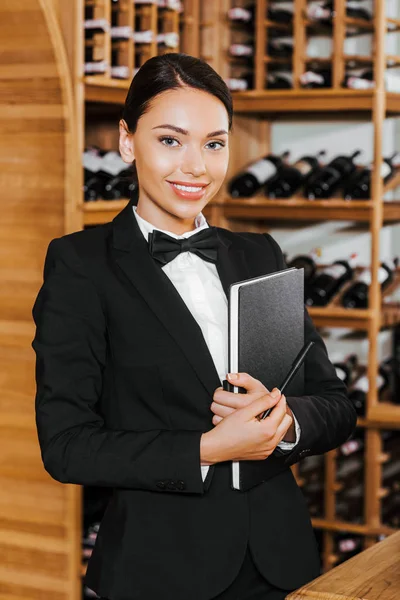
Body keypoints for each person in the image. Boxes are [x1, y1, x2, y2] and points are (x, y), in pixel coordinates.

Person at [31, 53, 357, 600]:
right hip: (159, 572)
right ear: (127, 141)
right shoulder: (80, 265)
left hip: (283, 566)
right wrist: (209, 447)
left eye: (214, 143)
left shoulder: (260, 253)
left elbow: (336, 404)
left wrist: (285, 420)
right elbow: (66, 446)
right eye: (170, 140)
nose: (196, 167)